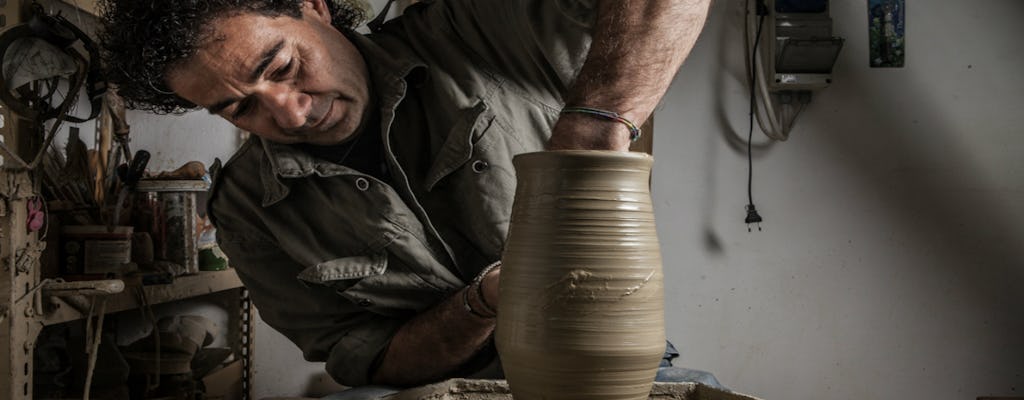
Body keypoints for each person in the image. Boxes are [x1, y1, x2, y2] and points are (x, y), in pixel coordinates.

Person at [98, 0, 713, 390]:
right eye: (238, 106)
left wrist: (594, 124)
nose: (289, 112)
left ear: (315, 8)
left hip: (618, 370)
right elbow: (364, 358)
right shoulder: (246, 210)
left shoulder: (475, 31)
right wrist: (481, 304)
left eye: (284, 67)